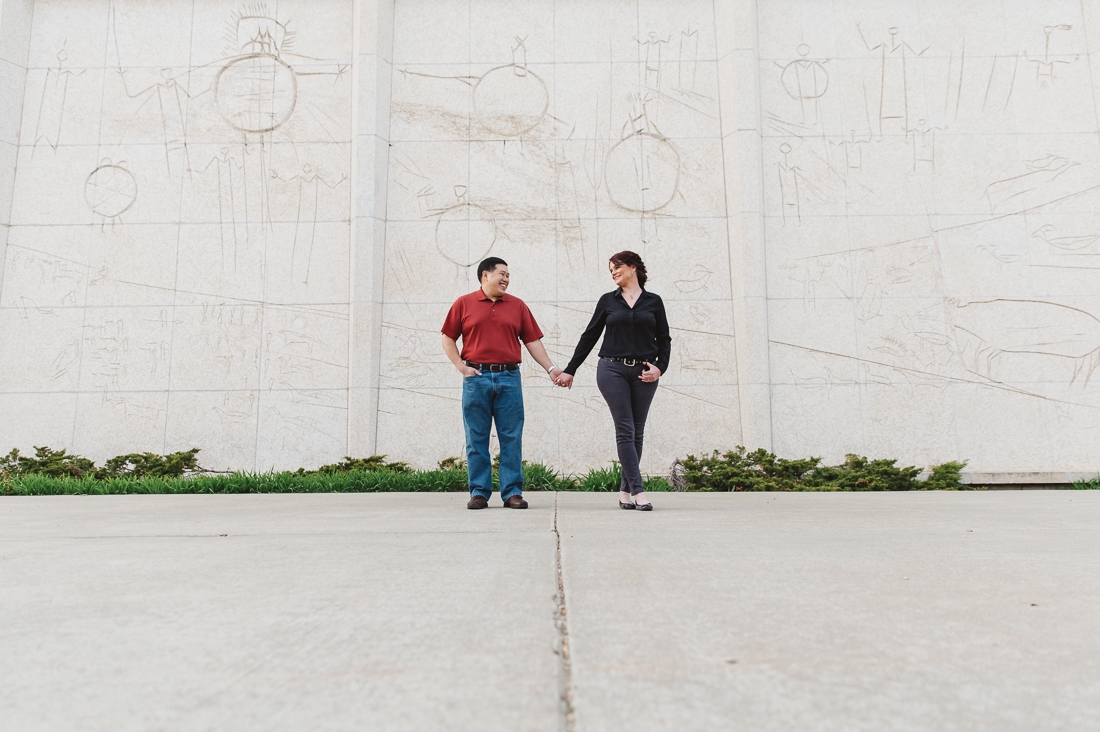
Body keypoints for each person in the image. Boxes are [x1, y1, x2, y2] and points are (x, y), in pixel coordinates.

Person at [442, 257, 563, 510]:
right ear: (485, 275)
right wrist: (460, 367)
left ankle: (512, 493)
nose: (507, 279)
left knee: (511, 436)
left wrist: (551, 369)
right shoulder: (463, 304)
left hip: (509, 377)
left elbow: (532, 342)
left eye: (509, 275)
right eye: (502, 273)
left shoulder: (517, 306)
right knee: (476, 437)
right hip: (476, 379)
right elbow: (448, 338)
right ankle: (479, 492)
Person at [555, 251, 671, 510]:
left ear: (632, 267)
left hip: (644, 373)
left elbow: (664, 340)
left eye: (617, 267)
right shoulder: (608, 301)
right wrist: (570, 369)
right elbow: (589, 336)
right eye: (610, 270)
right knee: (626, 429)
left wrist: (660, 368)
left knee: (637, 432)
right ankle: (639, 492)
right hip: (612, 370)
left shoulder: (654, 301)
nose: (613, 273)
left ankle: (624, 493)